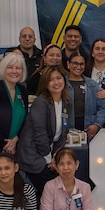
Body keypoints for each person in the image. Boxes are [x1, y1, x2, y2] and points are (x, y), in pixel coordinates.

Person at [20, 67, 70, 196]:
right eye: (51, 80)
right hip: (34, 157)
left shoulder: (65, 102)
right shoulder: (41, 103)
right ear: (45, 83)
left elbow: (63, 133)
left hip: (49, 156)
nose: (56, 82)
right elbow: (40, 135)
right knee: (52, 191)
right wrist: (49, 161)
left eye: (58, 78)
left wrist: (56, 157)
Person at [65, 52, 105, 139]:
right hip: (66, 130)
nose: (78, 67)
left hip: (88, 129)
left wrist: (96, 125)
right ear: (68, 64)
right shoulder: (61, 84)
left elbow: (103, 108)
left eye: (81, 64)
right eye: (75, 63)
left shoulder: (93, 85)